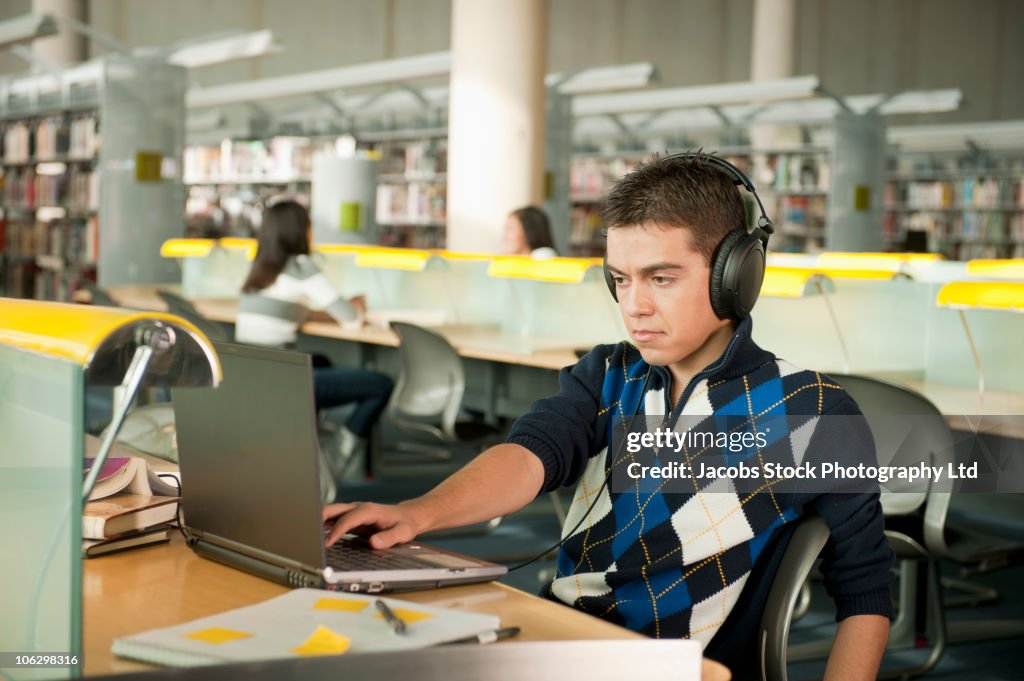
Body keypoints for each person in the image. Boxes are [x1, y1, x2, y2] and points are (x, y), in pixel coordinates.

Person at [323, 154, 893, 679]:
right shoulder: (608, 374)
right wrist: (418, 514)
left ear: (735, 275)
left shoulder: (810, 411)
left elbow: (865, 590)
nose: (634, 305)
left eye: (661, 278)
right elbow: (528, 456)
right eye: (620, 279)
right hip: (561, 640)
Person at [236, 200, 394, 500]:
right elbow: (351, 321)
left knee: (322, 361)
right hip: (282, 380)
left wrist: (334, 311)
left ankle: (304, 449)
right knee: (380, 384)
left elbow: (296, 313)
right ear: (301, 231)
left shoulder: (259, 268)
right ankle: (338, 457)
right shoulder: (301, 267)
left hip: (254, 376)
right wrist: (355, 306)